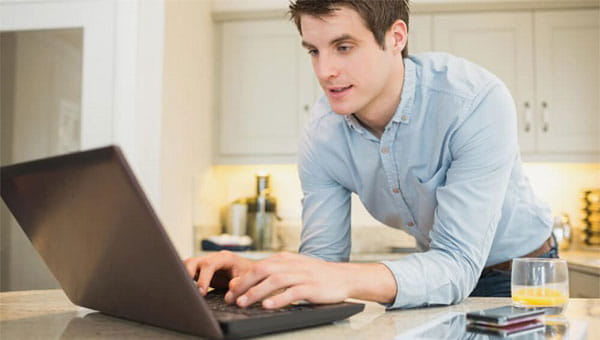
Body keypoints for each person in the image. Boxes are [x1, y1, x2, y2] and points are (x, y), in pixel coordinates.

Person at [184, 0, 556, 309]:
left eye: (343, 47)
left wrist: (340, 279)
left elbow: (457, 265)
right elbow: (322, 265)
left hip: (521, 276)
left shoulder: (473, 102)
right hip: (435, 278)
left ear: (395, 37)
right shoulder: (323, 132)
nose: (325, 70)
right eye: (314, 50)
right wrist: (254, 273)